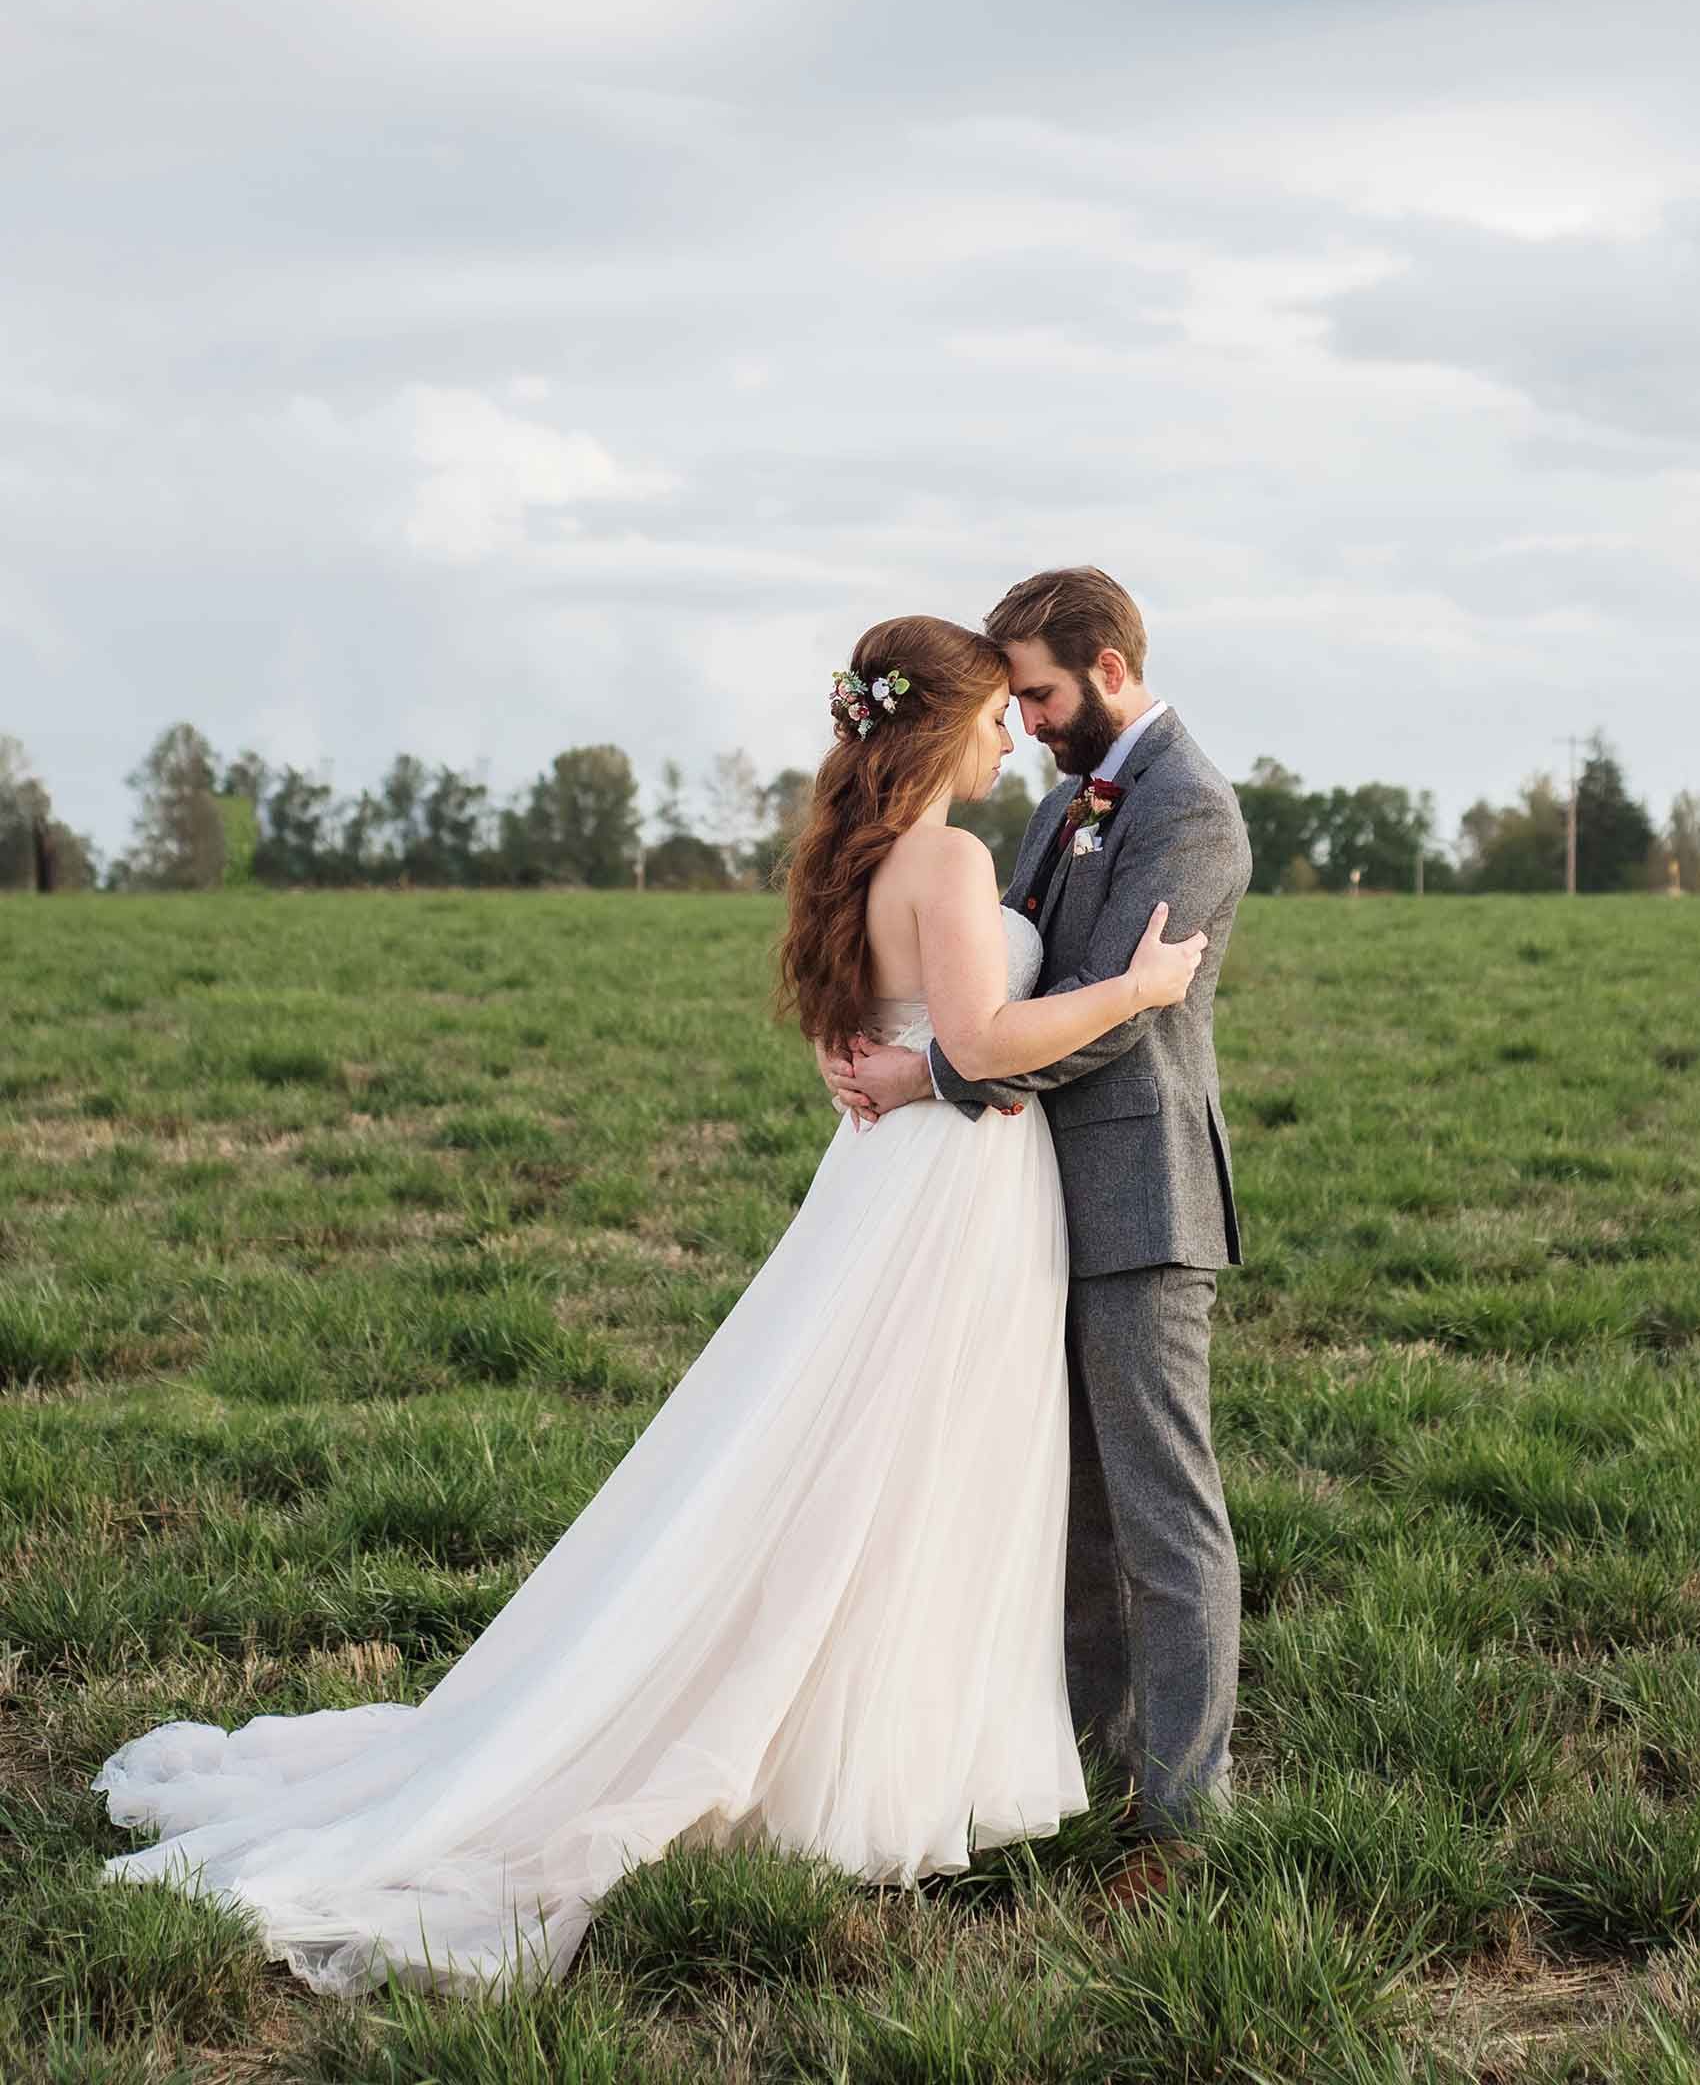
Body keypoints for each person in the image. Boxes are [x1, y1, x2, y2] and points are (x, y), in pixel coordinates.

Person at [91, 613, 1205, 2001]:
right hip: (952, 1199)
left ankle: (851, 1733)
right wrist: (1137, 988)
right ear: (939, 727)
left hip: (892, 1185)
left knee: (862, 1462)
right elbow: (978, 1041)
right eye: (992, 717)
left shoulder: (854, 864)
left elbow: (856, 1038)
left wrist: (902, 1066)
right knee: (909, 1467)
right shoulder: (954, 858)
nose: (1007, 738)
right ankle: (856, 1764)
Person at [824, 566, 1253, 1903]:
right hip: (1026, 1203)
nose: (1023, 716)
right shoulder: (1072, 797)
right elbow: (988, 967)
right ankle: (1074, 1768)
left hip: (1139, 1203)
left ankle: (1187, 1825)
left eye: (1040, 693)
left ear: (1109, 671)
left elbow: (1114, 1008)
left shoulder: (1190, 813)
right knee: (1071, 1522)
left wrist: (931, 1077)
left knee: (1163, 1520)